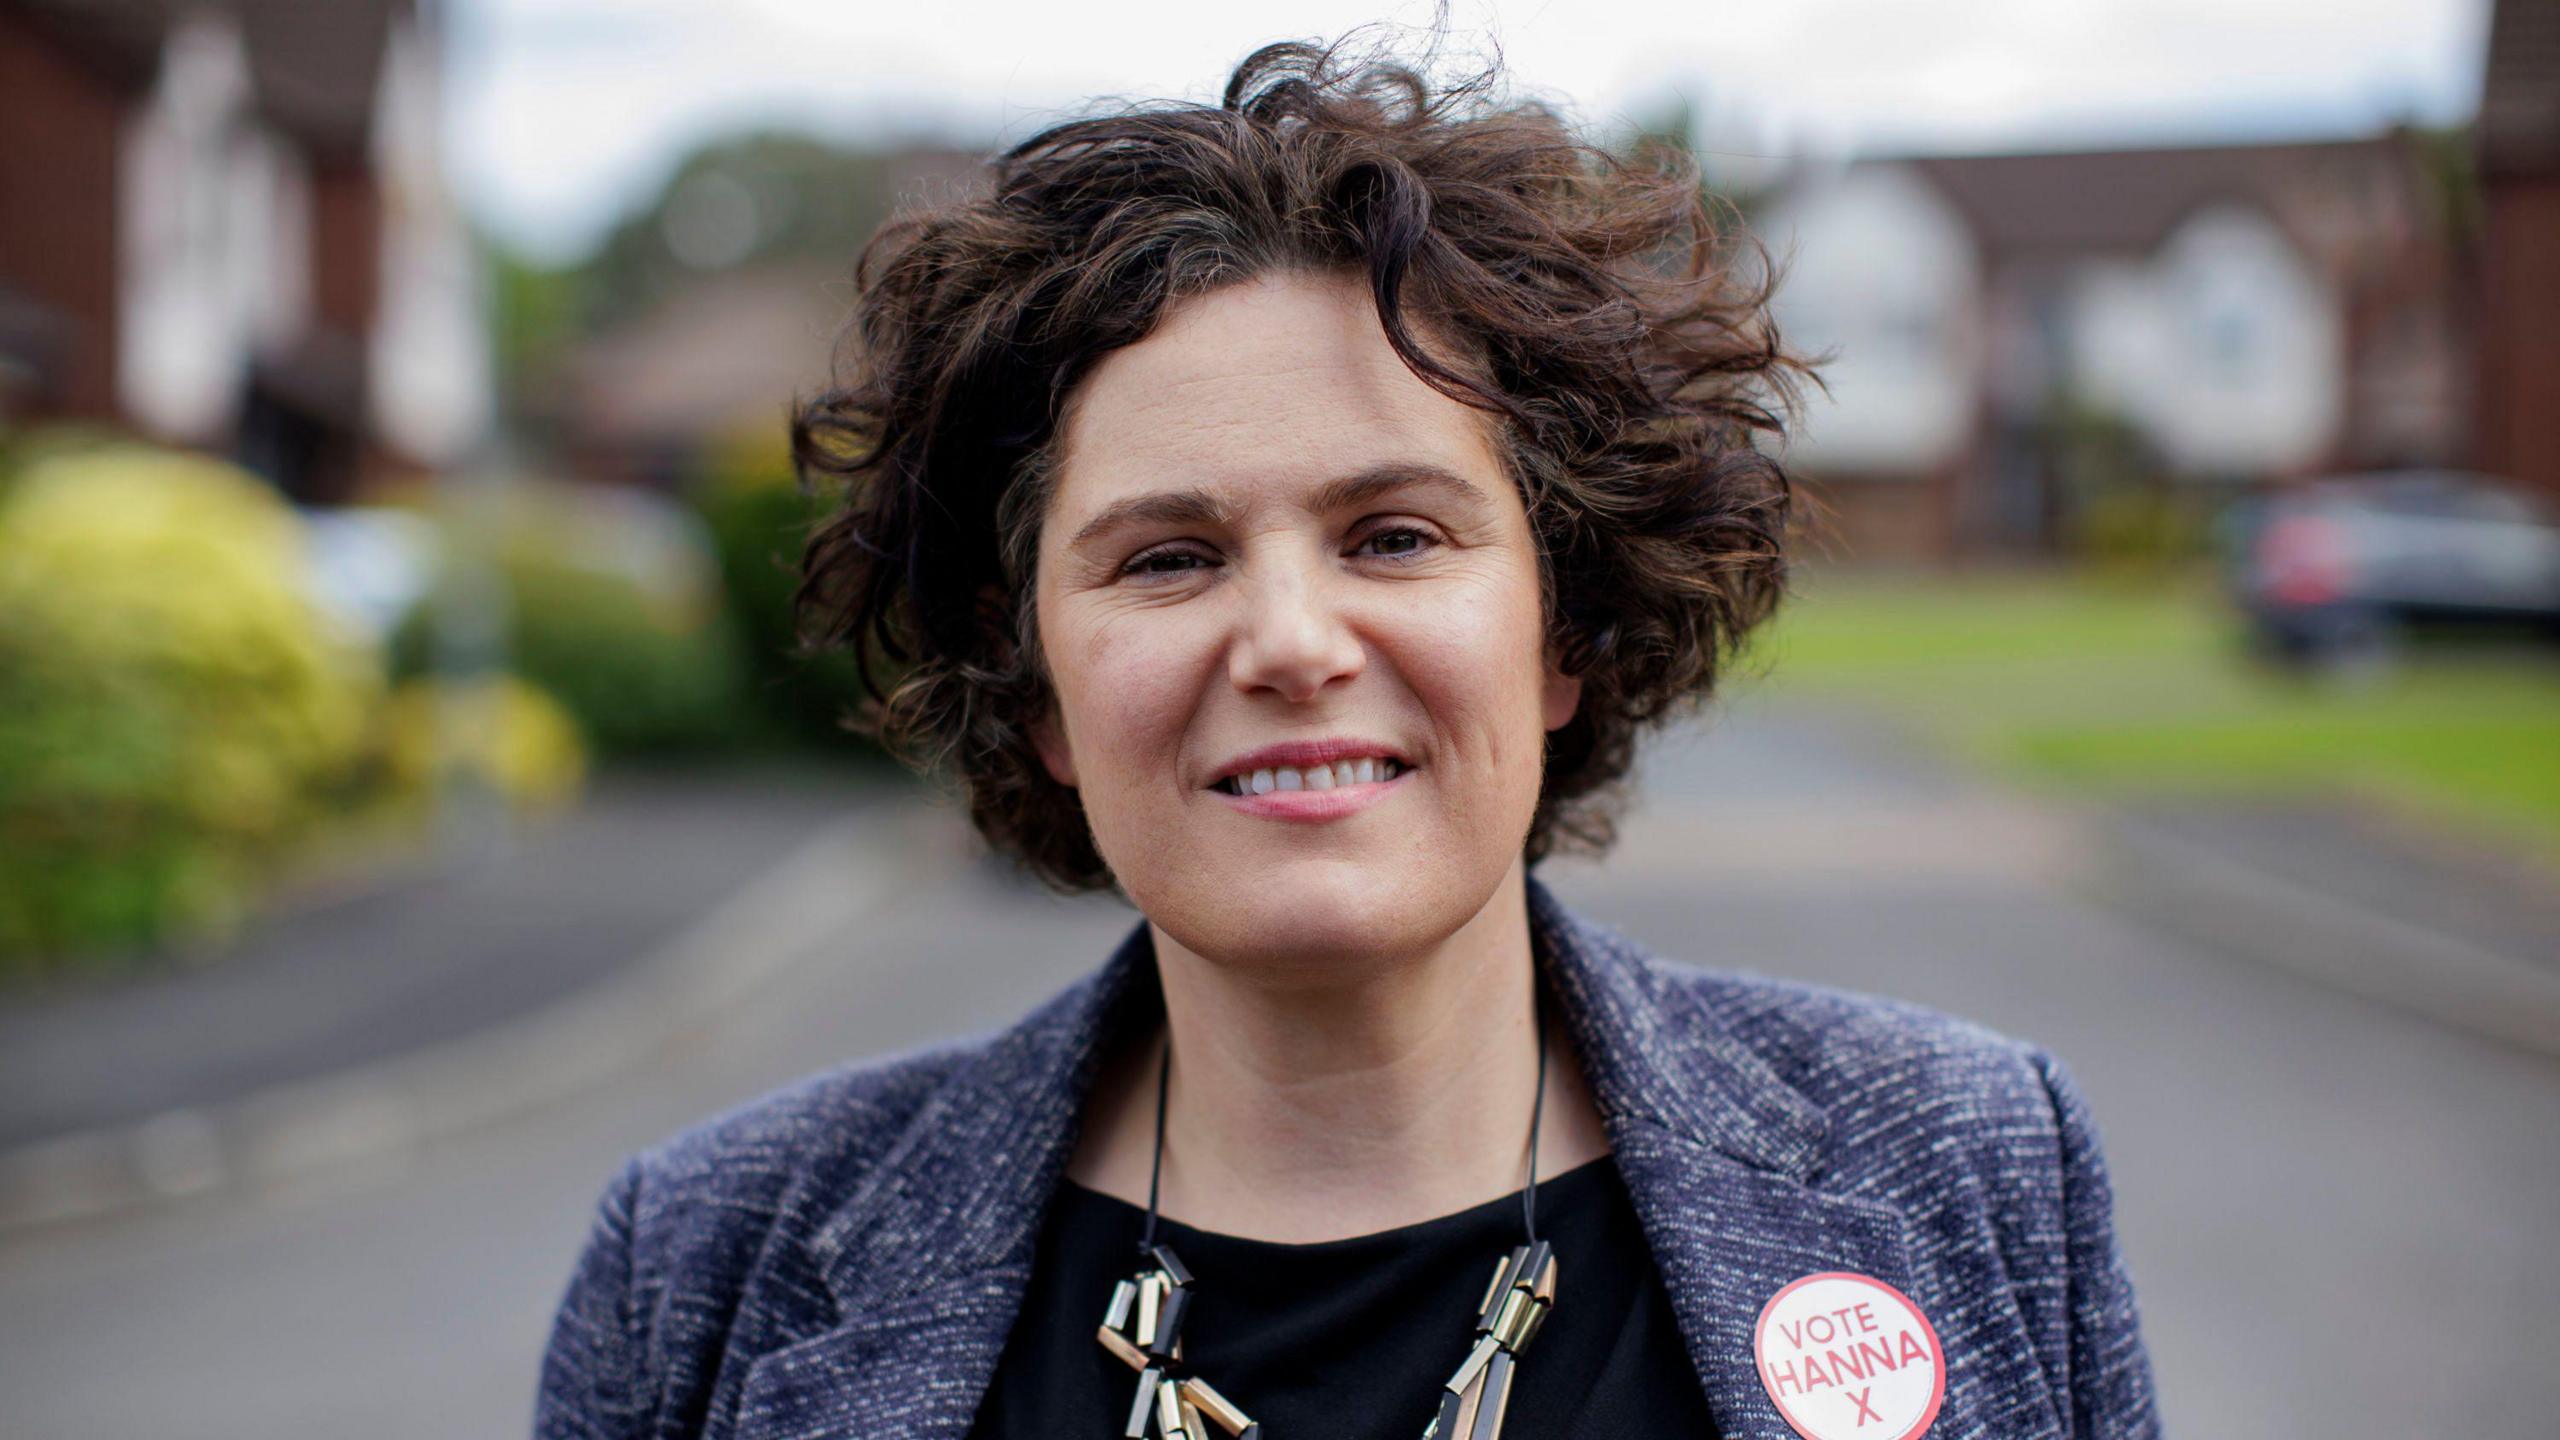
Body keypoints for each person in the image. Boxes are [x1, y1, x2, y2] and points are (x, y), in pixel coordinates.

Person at [535, 32, 2161, 1440]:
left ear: (1565, 631)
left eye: (1393, 535)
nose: (1295, 644)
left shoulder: (1975, 1176)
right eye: (1168, 557)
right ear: (1031, 688)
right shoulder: (708, 1269)